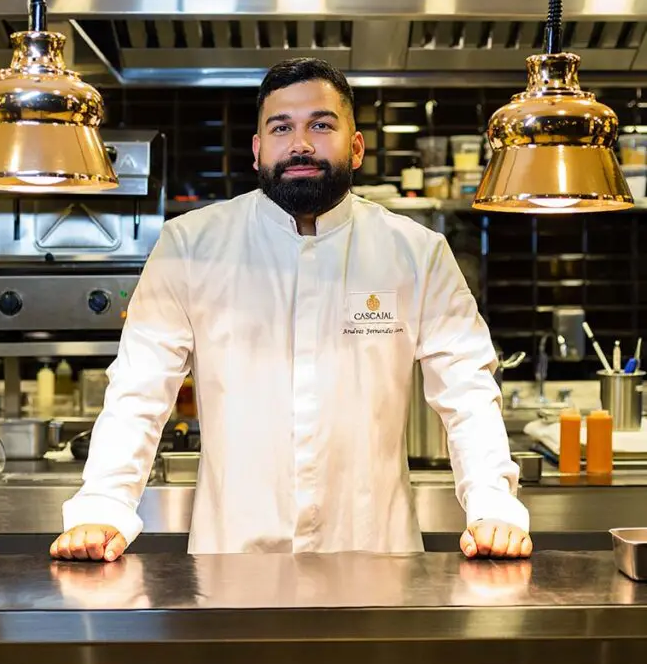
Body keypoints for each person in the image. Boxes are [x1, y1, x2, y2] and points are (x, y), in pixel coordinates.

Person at [50, 58, 532, 563]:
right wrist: (102, 506)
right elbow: (139, 390)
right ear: (258, 151)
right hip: (232, 562)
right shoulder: (190, 245)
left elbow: (468, 390)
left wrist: (492, 504)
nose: (300, 143)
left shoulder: (416, 251)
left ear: (357, 146)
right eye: (281, 128)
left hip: (374, 557)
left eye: (321, 125)